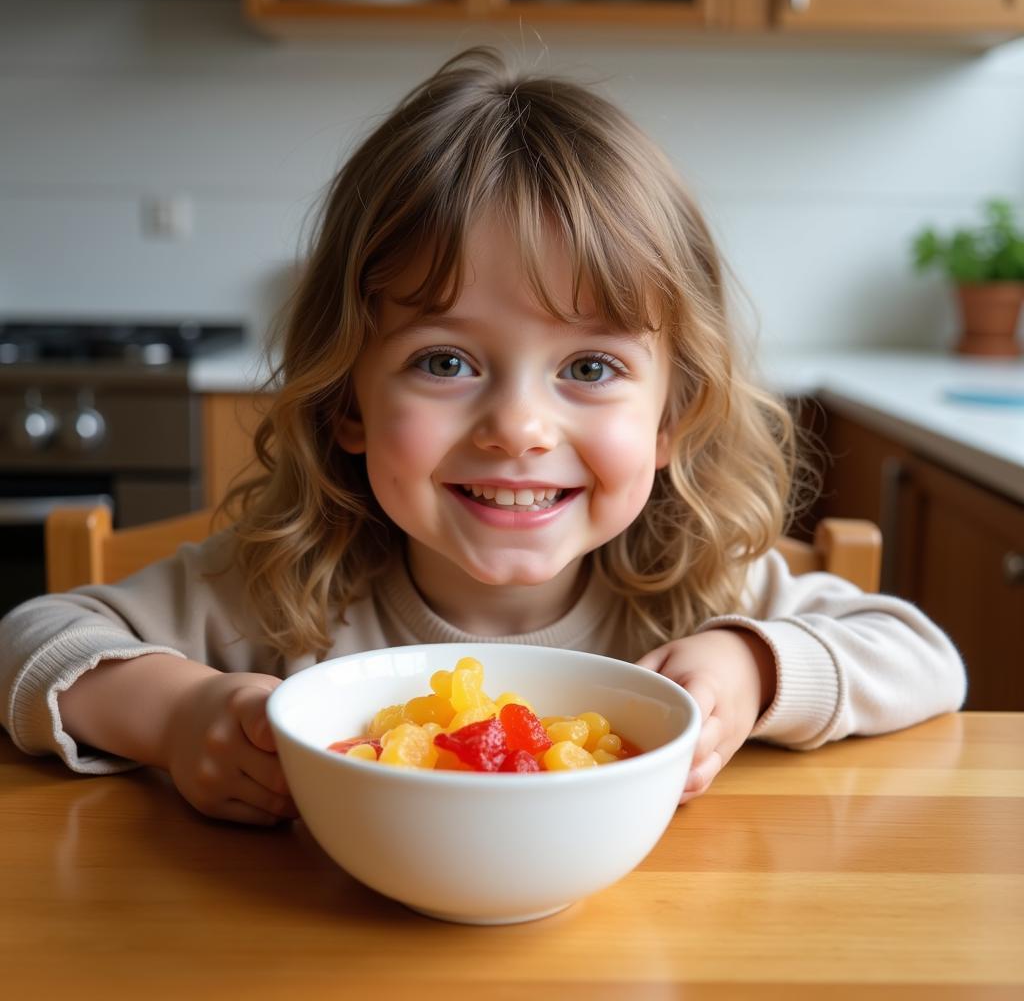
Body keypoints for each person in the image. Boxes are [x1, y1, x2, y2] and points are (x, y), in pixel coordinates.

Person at [0, 47, 966, 826]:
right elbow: (31, 638)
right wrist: (175, 716)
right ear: (347, 399)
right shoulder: (273, 593)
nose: (517, 429)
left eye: (589, 368)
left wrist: (755, 668)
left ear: (673, 418)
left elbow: (925, 657)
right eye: (445, 362)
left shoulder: (701, 590)